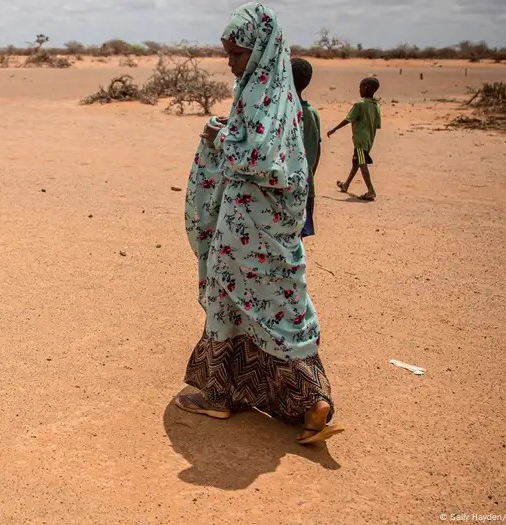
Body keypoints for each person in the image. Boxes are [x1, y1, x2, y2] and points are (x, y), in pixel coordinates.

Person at [179, 2, 342, 445]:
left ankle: (222, 393)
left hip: (250, 226)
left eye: (236, 54)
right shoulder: (278, 95)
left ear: (260, 50)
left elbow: (265, 160)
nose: (230, 64)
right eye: (228, 53)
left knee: (235, 298)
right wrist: (229, 129)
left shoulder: (261, 95)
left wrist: (220, 136)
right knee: (276, 305)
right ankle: (309, 401)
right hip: (265, 227)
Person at [329, 77, 382, 201]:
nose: (359, 90)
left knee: (362, 164)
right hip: (369, 140)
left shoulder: (360, 104)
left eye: (360, 87)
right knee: (356, 162)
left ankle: (371, 191)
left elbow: (348, 119)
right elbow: (377, 124)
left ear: (365, 88)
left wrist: (334, 129)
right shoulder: (376, 105)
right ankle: (346, 184)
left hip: (360, 141)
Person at [292, 58, 320, 237]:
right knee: (298, 236)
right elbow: (317, 150)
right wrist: (310, 174)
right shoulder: (311, 113)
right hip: (306, 184)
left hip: (283, 186)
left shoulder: (284, 112)